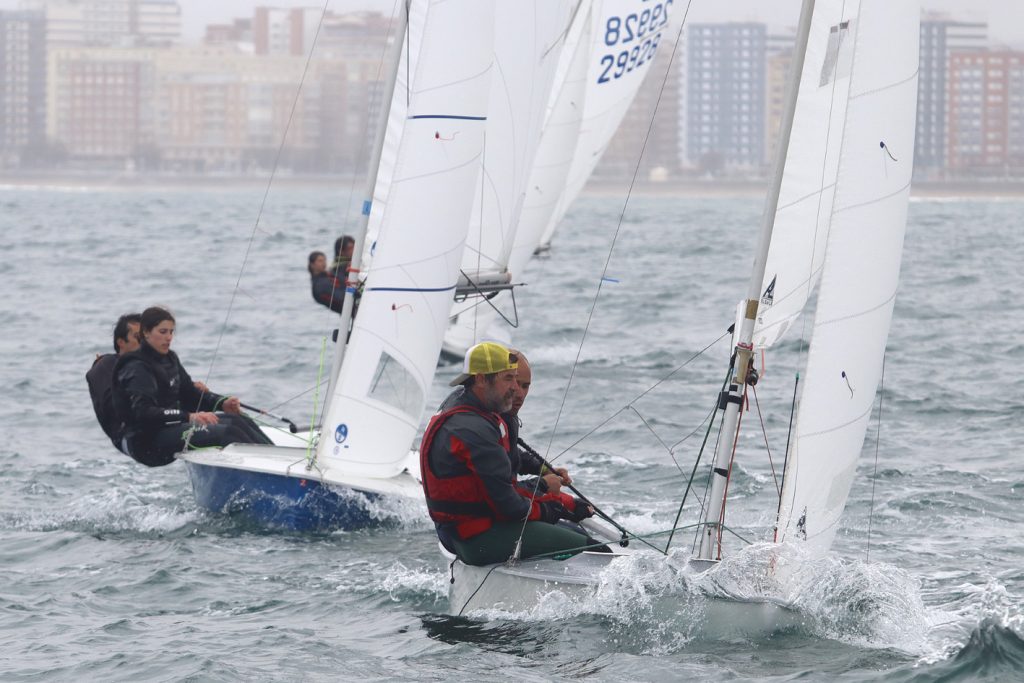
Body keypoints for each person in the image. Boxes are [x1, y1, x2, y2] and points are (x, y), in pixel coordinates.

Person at [419, 341, 596, 566]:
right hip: (475, 537)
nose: (515, 389)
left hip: (466, 529)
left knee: (574, 531)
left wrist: (546, 479)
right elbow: (510, 506)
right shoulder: (472, 428)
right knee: (594, 550)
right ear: (481, 379)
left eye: (520, 382)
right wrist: (555, 505)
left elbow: (502, 465)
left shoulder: (471, 408)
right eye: (508, 379)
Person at [112, 306, 272, 467]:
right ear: (146, 332)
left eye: (171, 332)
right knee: (229, 433)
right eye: (163, 332)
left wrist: (222, 403)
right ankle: (265, 469)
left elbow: (191, 394)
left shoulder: (170, 359)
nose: (169, 337)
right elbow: (143, 412)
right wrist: (188, 417)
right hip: (146, 441)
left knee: (238, 420)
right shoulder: (137, 367)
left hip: (170, 428)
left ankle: (277, 461)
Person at [501, 350, 571, 494]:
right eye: (514, 383)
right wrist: (543, 485)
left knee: (578, 504)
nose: (520, 394)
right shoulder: (483, 421)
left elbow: (509, 454)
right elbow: (499, 492)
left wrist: (544, 469)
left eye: (525, 386)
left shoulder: (505, 415)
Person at [86, 313, 142, 453]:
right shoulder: (105, 365)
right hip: (130, 437)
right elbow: (113, 407)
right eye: (138, 337)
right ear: (121, 342)